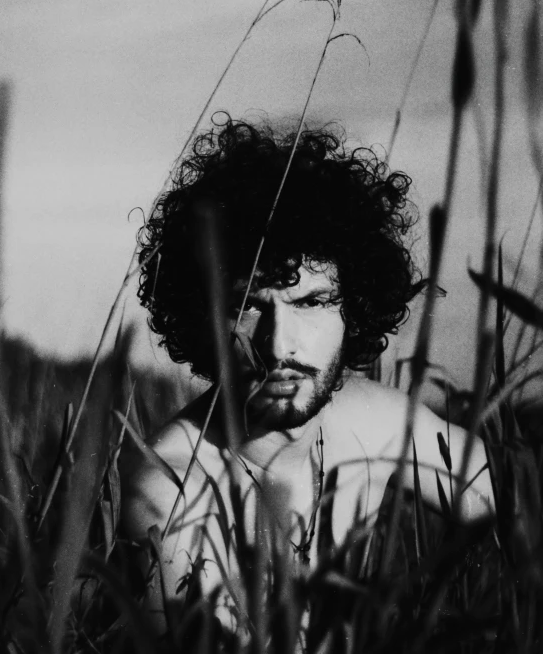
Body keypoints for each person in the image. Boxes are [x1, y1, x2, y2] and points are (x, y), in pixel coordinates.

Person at [121, 116, 494, 637]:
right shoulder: (169, 496)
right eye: (247, 307)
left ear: (354, 311)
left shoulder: (380, 422)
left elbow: (510, 508)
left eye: (312, 302)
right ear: (203, 319)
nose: (277, 345)